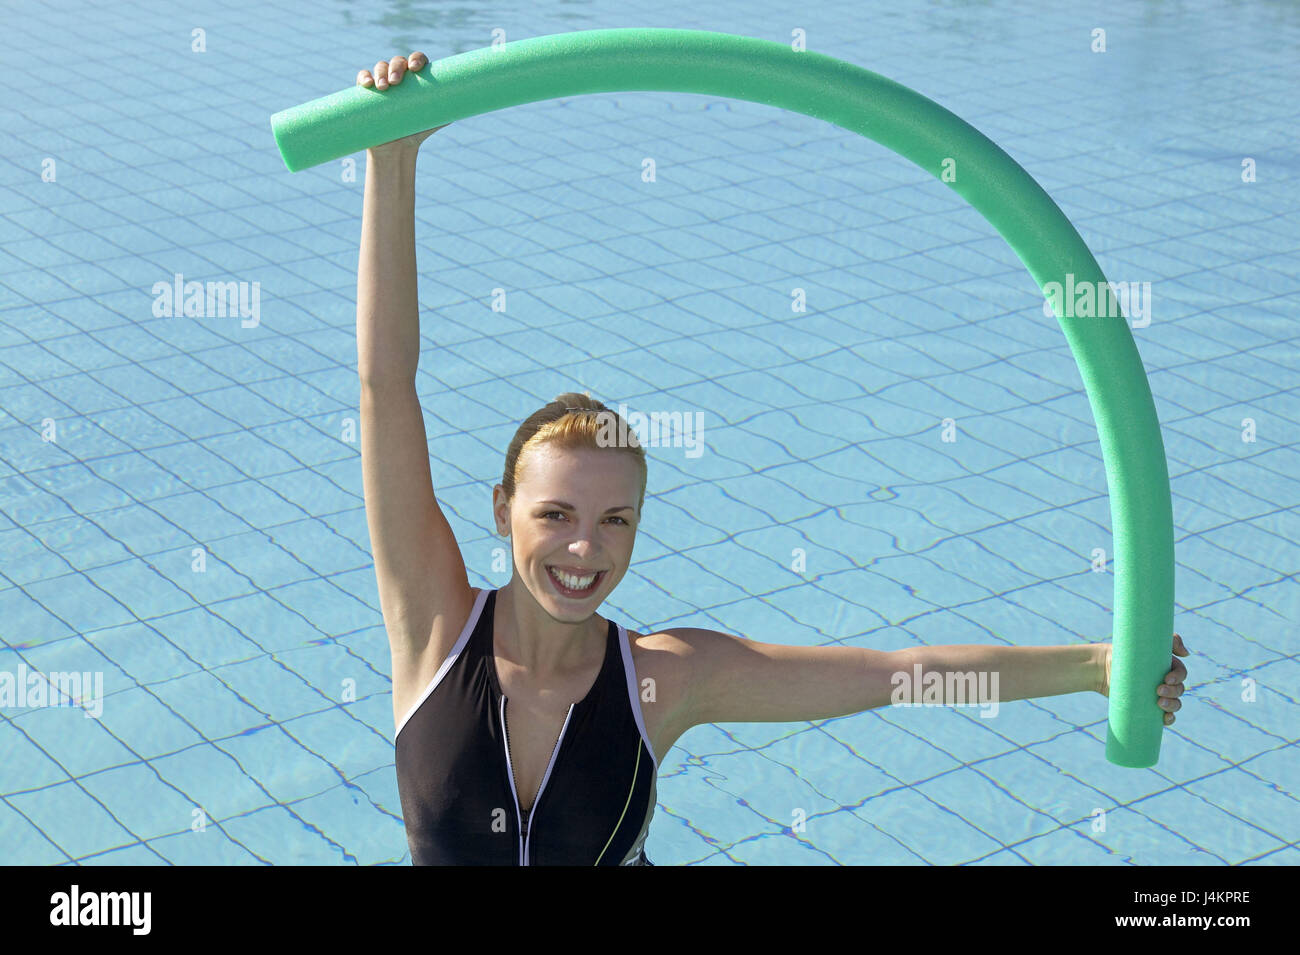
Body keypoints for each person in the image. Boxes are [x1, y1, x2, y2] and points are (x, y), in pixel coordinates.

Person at [355, 52, 1190, 866]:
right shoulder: (434, 628)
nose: (584, 548)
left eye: (615, 519)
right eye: (555, 515)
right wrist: (391, 161)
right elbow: (386, 385)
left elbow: (899, 677)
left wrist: (1099, 667)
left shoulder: (665, 681)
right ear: (502, 508)